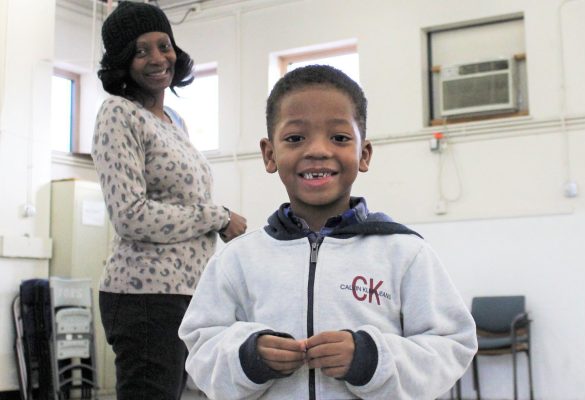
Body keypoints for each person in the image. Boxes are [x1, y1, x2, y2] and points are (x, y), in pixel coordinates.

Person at [179, 65, 477, 399]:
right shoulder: (237, 260)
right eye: (295, 138)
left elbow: (451, 344)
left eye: (339, 137)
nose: (318, 150)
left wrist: (370, 359)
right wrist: (248, 357)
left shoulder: (404, 253)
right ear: (269, 154)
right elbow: (201, 345)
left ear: (363, 154)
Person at [91, 2, 247, 399]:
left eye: (164, 45)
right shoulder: (118, 114)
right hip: (144, 298)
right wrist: (217, 216)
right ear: (122, 62)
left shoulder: (174, 121)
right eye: (141, 51)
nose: (158, 59)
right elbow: (131, 216)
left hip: (183, 293)